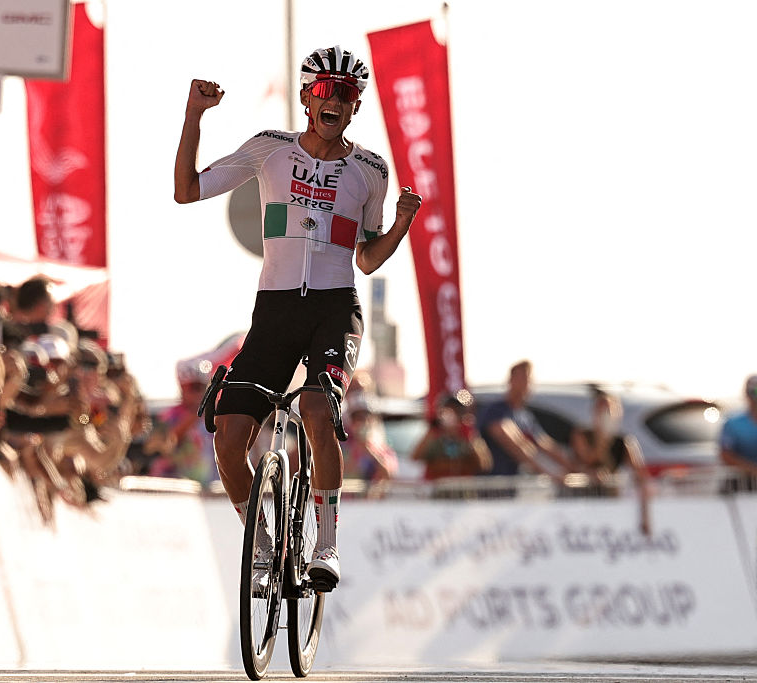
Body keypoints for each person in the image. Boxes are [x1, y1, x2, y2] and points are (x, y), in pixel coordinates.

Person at [173, 45, 422, 590]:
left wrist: (401, 223)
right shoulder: (270, 151)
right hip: (275, 312)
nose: (333, 99)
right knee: (229, 437)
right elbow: (186, 190)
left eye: (346, 93)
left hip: (334, 309)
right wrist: (194, 115)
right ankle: (262, 547)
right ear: (307, 97)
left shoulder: (371, 171)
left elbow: (366, 257)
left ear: (356, 106)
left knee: (316, 404)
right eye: (323, 90)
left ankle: (327, 545)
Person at [568, 387, 652, 534]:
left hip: (610, 502)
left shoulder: (624, 442)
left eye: (609, 411)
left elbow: (641, 475)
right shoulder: (582, 435)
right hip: (582, 503)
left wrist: (644, 515)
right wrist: (603, 438)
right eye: (601, 411)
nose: (605, 415)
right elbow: (587, 460)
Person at [479, 360, 574, 483]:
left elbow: (544, 444)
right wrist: (547, 473)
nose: (525, 384)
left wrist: (576, 469)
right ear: (510, 380)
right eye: (521, 378)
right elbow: (515, 445)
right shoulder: (496, 411)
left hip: (517, 487)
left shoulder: (525, 416)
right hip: (495, 485)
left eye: (528, 379)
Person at [412, 390, 492, 481]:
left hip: (462, 491)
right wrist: (433, 431)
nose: (451, 417)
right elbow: (415, 457)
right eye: (447, 411)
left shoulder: (469, 437)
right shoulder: (434, 437)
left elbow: (485, 464)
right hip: (438, 492)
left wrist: (469, 435)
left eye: (457, 412)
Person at [719, 375, 757, 481]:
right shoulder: (733, 423)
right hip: (742, 483)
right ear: (746, 393)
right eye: (753, 391)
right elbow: (725, 454)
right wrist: (752, 470)